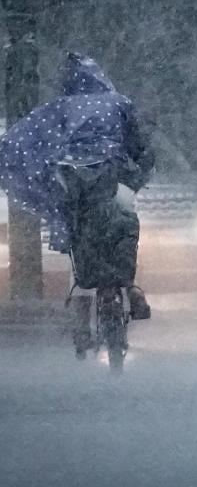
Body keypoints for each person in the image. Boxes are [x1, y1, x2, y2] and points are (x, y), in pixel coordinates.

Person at [0, 52, 154, 355]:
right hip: (113, 180)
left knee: (79, 243)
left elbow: (30, 137)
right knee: (123, 231)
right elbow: (139, 145)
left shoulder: (60, 109)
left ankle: (82, 321)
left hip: (75, 184)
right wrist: (137, 171)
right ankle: (130, 290)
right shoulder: (119, 103)